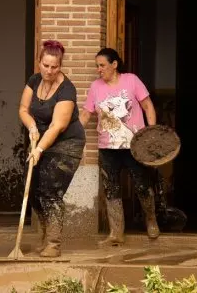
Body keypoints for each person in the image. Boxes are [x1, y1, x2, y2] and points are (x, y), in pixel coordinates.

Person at [79, 47, 159, 246]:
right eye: (97, 66)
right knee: (111, 188)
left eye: (102, 65)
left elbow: (147, 106)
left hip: (134, 146)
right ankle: (116, 233)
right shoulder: (95, 87)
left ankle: (151, 220)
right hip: (107, 148)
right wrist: (68, 132)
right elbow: (86, 114)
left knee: (142, 185)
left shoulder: (131, 80)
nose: (99, 69)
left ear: (114, 65)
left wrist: (151, 132)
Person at [18, 40, 85, 257]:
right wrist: (31, 126)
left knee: (50, 190)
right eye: (45, 65)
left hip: (67, 143)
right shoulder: (34, 80)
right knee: (33, 188)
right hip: (40, 138)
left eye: (54, 67)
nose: (49, 71)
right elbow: (23, 109)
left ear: (60, 66)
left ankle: (54, 244)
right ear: (39, 62)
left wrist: (39, 150)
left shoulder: (67, 89)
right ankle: (46, 233)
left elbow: (58, 125)